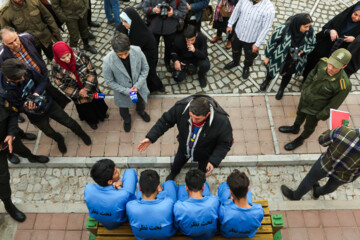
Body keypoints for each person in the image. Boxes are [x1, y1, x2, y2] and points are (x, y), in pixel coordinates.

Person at [0, 59, 92, 154]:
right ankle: (59, 139)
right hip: (34, 114)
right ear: (9, 78)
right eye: (20, 77)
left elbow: (43, 81)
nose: (23, 78)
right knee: (48, 132)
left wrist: (36, 93)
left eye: (23, 75)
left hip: (48, 103)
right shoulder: (3, 91)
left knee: (68, 121)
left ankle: (81, 133)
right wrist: (26, 107)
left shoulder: (26, 69)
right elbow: (14, 108)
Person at [138, 95, 233, 180]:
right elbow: (165, 121)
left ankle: (199, 180)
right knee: (177, 164)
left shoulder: (222, 121)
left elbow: (225, 143)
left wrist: (214, 161)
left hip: (205, 153)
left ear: (207, 114)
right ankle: (173, 173)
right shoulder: (181, 108)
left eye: (197, 119)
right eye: (191, 116)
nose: (193, 120)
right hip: (184, 148)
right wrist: (151, 137)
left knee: (202, 171)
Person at [279, 48, 352, 151]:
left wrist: (320, 115)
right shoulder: (323, 62)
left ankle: (301, 139)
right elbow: (312, 73)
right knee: (300, 114)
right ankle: (295, 128)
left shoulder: (344, 85)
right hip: (306, 98)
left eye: (335, 67)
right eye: (330, 63)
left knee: (309, 126)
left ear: (343, 66)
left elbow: (334, 104)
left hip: (316, 110)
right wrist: (305, 87)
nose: (330, 68)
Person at [281, 126, 360, 200]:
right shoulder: (344, 131)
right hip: (345, 175)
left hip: (325, 163)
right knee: (330, 187)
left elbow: (322, 140)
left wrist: (334, 130)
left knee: (310, 179)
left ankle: (295, 196)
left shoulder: (343, 131)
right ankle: (317, 192)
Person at [0, 27, 71, 109]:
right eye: (10, 43)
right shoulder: (2, 56)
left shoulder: (27, 36)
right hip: (28, 81)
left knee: (49, 87)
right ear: (4, 43)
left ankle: (60, 104)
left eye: (15, 39)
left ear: (16, 33)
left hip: (41, 72)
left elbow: (35, 50)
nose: (15, 44)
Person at [52, 41, 109, 130]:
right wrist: (79, 93)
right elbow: (60, 84)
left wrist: (86, 88)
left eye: (68, 55)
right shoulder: (55, 67)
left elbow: (92, 71)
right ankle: (91, 121)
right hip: (78, 95)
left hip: (91, 88)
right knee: (86, 109)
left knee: (97, 102)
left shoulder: (81, 56)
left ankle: (102, 114)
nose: (67, 59)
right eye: (63, 58)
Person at [260, 13, 316, 100]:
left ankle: (281, 89)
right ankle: (267, 81)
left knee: (288, 75)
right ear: (298, 25)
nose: (308, 29)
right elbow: (272, 41)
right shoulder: (284, 28)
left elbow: (311, 44)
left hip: (295, 59)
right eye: (305, 27)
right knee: (271, 69)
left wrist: (302, 51)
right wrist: (267, 56)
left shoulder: (309, 31)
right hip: (279, 55)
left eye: (309, 26)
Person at [103, 32, 151, 132]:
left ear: (129, 47)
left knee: (140, 101)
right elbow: (109, 81)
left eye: (126, 53)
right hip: (122, 93)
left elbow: (145, 68)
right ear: (114, 51)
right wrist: (126, 90)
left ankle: (140, 111)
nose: (124, 56)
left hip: (139, 87)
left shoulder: (137, 50)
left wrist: (137, 86)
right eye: (120, 55)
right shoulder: (108, 61)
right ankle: (127, 119)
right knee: (123, 109)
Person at [303, 2, 360, 80]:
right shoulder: (342, 18)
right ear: (352, 11)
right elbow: (325, 29)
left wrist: (354, 40)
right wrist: (331, 31)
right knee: (314, 62)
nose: (356, 18)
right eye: (355, 14)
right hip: (326, 45)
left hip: (340, 53)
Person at [224, 0, 275, 80]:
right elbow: (236, 11)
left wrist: (257, 44)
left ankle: (246, 67)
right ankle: (235, 62)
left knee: (249, 56)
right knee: (235, 50)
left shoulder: (269, 9)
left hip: (251, 39)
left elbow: (266, 28)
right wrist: (230, 24)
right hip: (238, 33)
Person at [117, 8, 165, 93]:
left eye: (125, 21)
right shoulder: (122, 27)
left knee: (150, 76)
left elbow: (152, 53)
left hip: (145, 60)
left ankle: (156, 87)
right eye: (122, 21)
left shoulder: (146, 36)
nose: (123, 24)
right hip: (131, 60)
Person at [84, 159, 138, 230]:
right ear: (109, 181)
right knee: (130, 172)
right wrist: (119, 187)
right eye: (115, 172)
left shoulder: (88, 188)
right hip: (119, 221)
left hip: (103, 220)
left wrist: (113, 186)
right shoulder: (123, 194)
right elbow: (133, 203)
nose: (118, 170)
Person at [126, 170, 178, 240]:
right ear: (157, 188)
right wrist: (161, 192)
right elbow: (166, 200)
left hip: (141, 236)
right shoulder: (169, 203)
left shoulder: (130, 206)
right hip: (165, 236)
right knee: (169, 183)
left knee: (139, 195)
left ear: (139, 188)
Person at [142, 0, 187, 73]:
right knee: (153, 47)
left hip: (170, 28)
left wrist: (174, 13)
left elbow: (183, 12)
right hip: (154, 27)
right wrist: (153, 10)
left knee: (169, 48)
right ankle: (153, 63)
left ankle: (167, 62)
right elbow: (144, 7)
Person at [0, 98, 26, 223]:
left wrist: (10, 133)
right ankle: (8, 205)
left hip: (8, 140)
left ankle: (32, 157)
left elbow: (12, 114)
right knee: (3, 180)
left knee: (24, 151)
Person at [174, 169, 219, 240]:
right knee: (207, 186)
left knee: (180, 189)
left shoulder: (179, 206)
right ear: (203, 187)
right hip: (210, 234)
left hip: (188, 234)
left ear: (186, 188)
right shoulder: (214, 201)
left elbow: (177, 225)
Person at [218, 169, 264, 238]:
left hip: (227, 234)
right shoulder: (259, 210)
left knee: (224, 186)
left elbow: (220, 221)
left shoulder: (223, 210)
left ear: (231, 192)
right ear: (247, 190)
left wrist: (230, 200)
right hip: (249, 234)